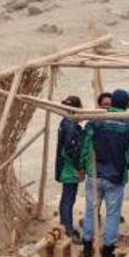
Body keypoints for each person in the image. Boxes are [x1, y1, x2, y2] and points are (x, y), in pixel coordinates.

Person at [80, 89, 129, 257]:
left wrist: (85, 166)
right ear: (126, 104)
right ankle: (107, 254)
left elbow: (86, 143)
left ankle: (87, 248)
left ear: (112, 102)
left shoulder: (97, 120)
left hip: (94, 174)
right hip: (115, 177)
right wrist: (128, 165)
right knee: (113, 214)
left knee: (91, 211)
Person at [54, 96, 83, 242]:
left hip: (65, 166)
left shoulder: (65, 122)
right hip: (69, 167)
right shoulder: (70, 125)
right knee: (68, 198)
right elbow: (71, 150)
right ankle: (68, 230)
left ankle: (64, 225)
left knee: (67, 197)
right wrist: (79, 168)